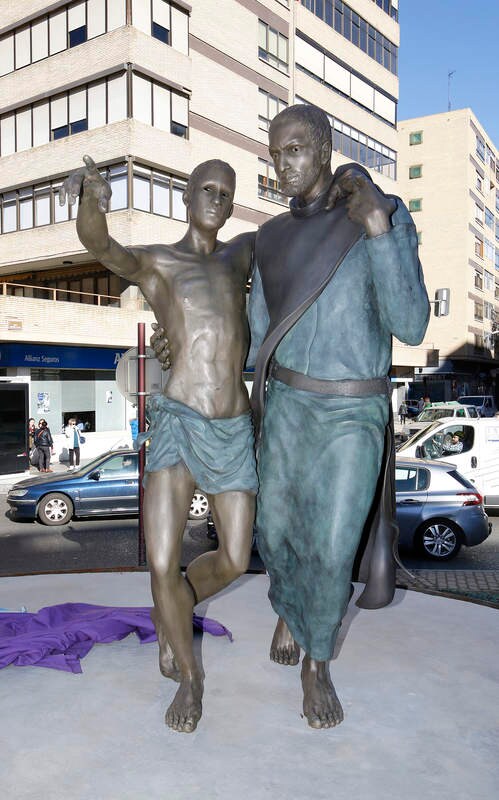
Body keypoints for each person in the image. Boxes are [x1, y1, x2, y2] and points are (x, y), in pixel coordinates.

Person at [246, 104, 430, 729]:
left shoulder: (377, 216)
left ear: (324, 147)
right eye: (275, 154)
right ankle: (292, 608)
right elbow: (256, 339)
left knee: (329, 547)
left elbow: (409, 322)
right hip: (289, 407)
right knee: (274, 533)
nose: (283, 165)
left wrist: (380, 230)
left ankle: (316, 662)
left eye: (294, 149)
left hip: (352, 410)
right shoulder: (269, 238)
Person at [61, 156, 258, 734]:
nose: (217, 201)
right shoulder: (159, 263)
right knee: (161, 560)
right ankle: (190, 680)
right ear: (187, 196)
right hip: (175, 420)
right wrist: (92, 200)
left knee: (236, 558)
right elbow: (104, 249)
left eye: (226, 193)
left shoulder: (241, 253)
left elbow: (290, 245)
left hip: (231, 426)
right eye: (207, 190)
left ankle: (174, 609)